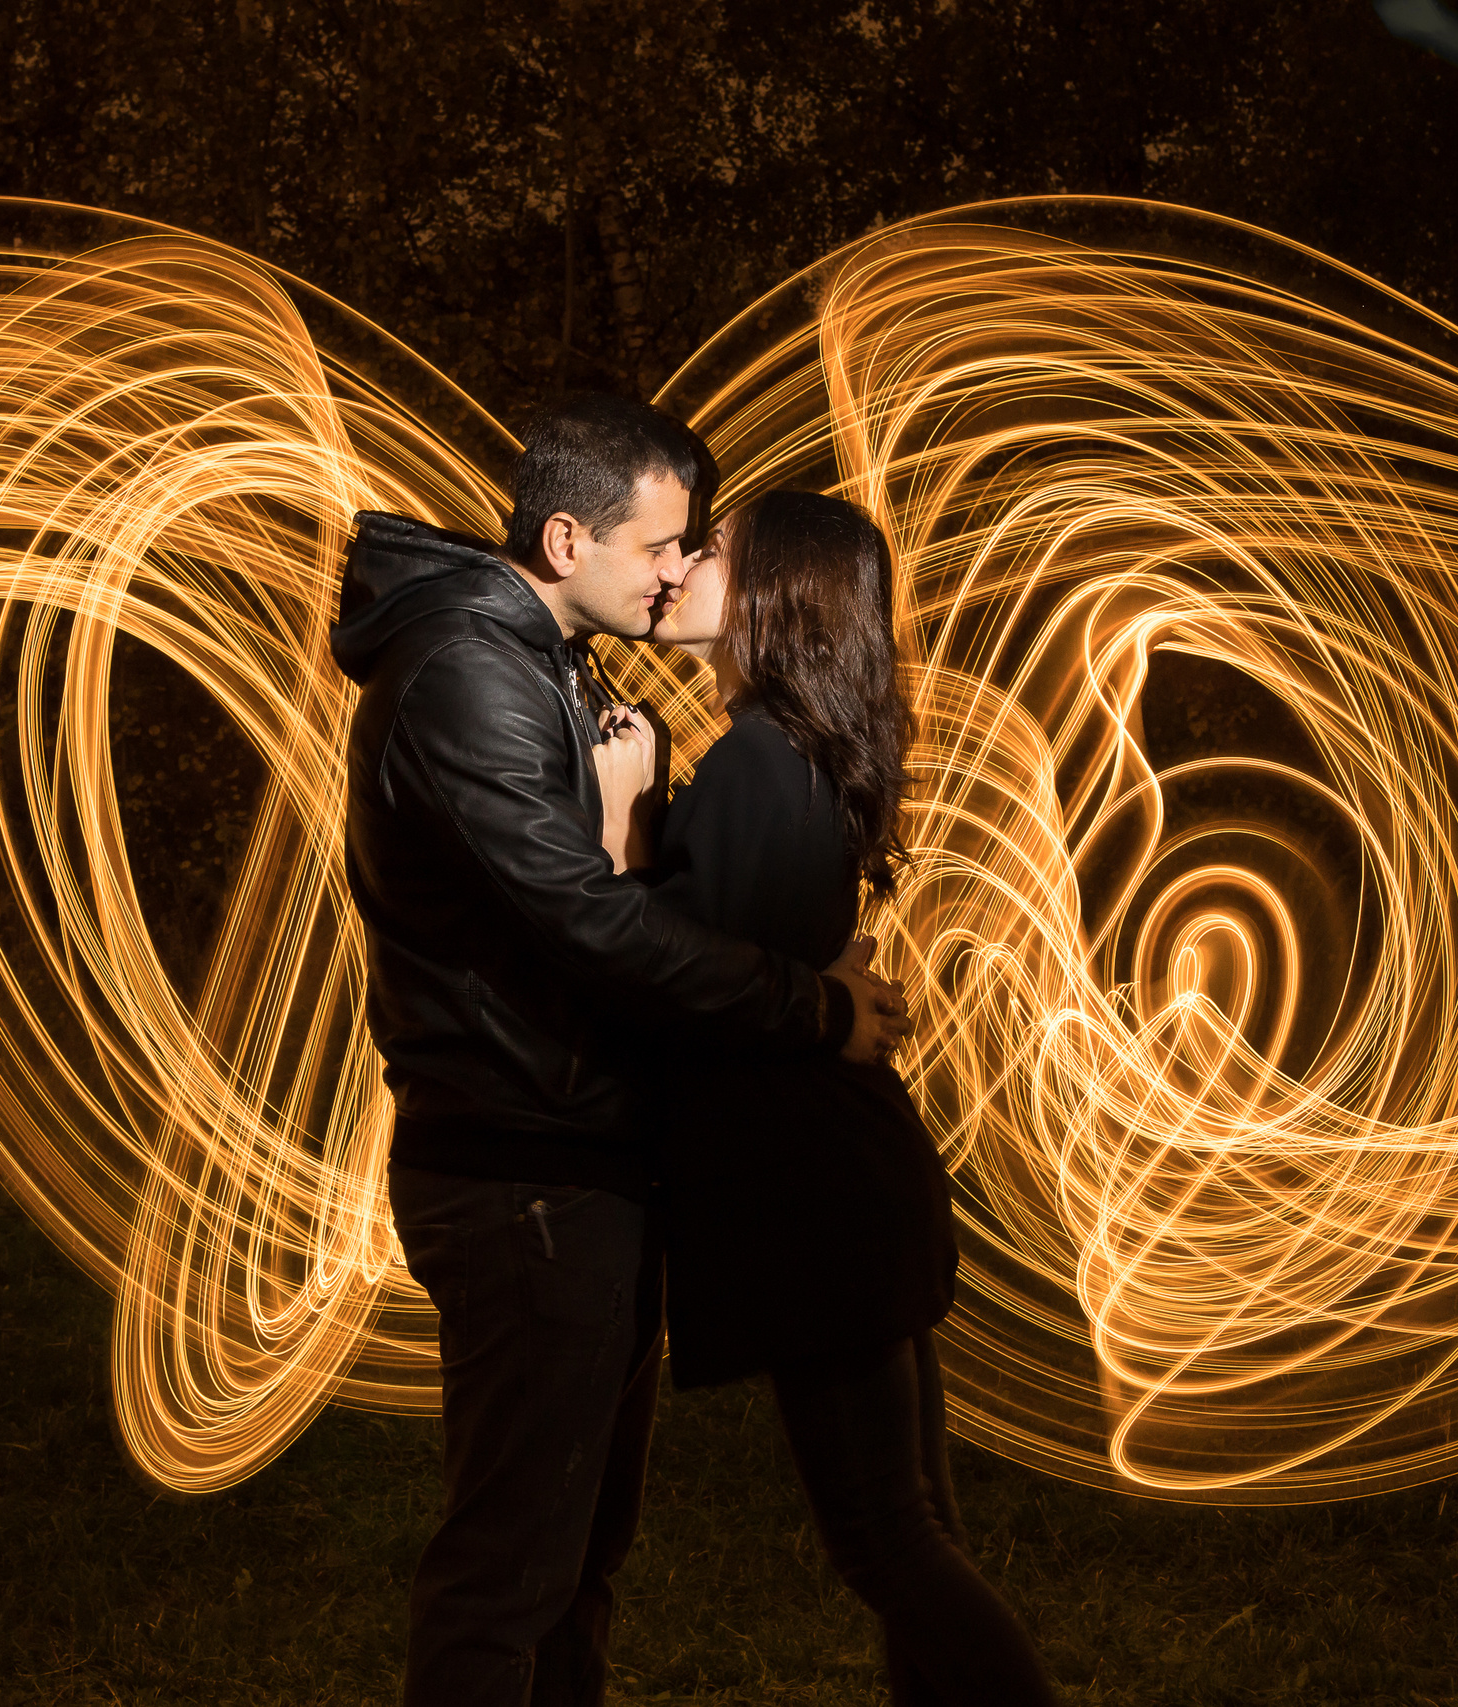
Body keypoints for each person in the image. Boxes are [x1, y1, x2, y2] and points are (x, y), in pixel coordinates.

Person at [330, 396, 909, 1707]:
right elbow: (585, 918)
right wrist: (811, 1005)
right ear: (564, 535)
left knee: (574, 1560)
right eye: (663, 542)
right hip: (526, 1163)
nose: (680, 567)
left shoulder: (535, 653)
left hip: (575, 1152)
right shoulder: (475, 670)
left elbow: (617, 886)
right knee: (512, 1572)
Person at [594, 488, 1058, 1705]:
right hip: (843, 1179)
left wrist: (618, 845)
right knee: (915, 1530)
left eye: (717, 550)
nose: (686, 562)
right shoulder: (787, 750)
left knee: (887, 1542)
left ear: (777, 592)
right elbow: (758, 954)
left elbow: (677, 986)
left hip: (811, 1196)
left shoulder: (755, 757)